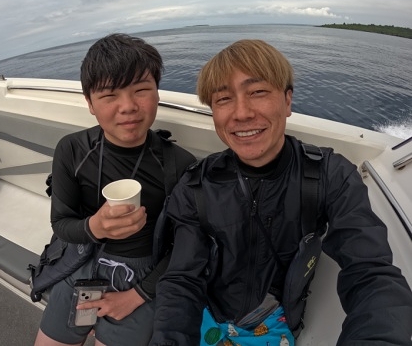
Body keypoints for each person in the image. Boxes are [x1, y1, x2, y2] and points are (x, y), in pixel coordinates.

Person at [150, 39, 412, 345]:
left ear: (288, 101)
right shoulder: (195, 185)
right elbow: (182, 281)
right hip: (209, 314)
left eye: (258, 92)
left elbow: (371, 272)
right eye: (223, 99)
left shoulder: (330, 175)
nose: (242, 113)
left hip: (278, 320)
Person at [34, 33, 196, 346]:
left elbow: (186, 246)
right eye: (110, 95)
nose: (128, 107)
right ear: (90, 103)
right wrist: (94, 227)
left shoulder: (180, 164)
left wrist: (137, 295)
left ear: (157, 92)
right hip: (83, 260)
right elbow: (62, 223)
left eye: (141, 90)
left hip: (144, 277)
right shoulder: (72, 150)